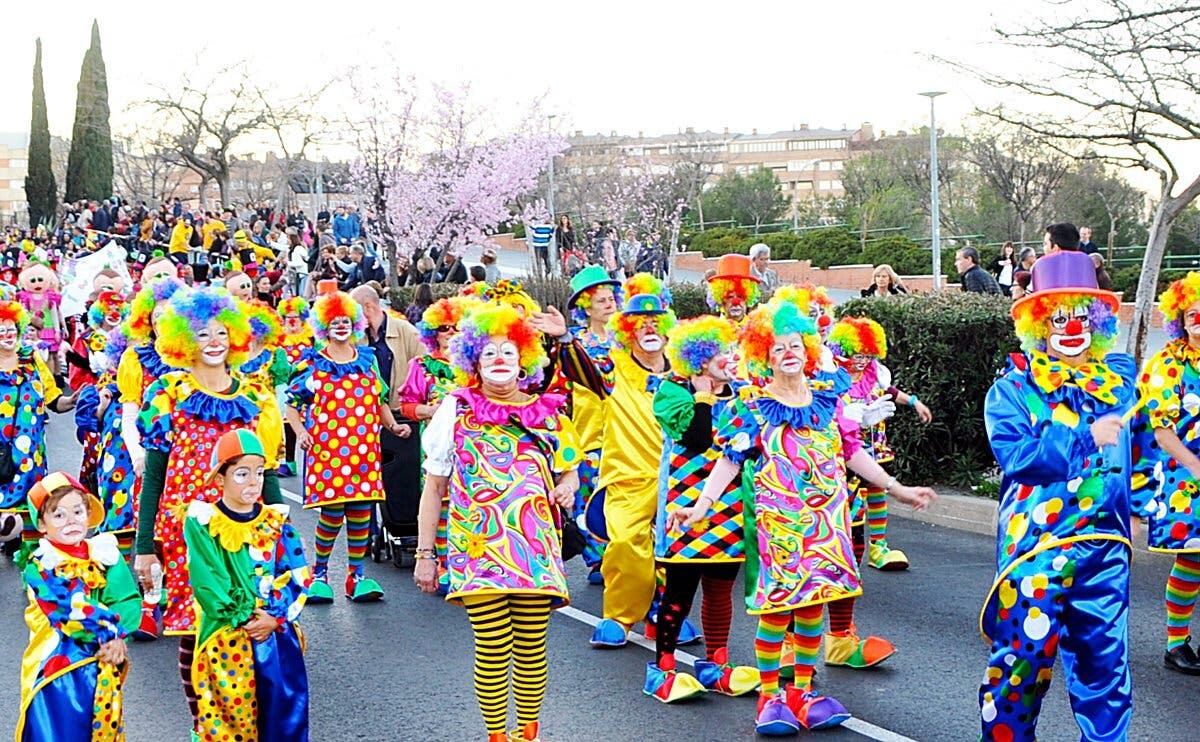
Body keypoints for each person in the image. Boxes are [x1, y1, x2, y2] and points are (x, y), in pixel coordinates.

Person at [668, 294, 935, 735]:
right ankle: (771, 697)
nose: (788, 353)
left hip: (826, 524)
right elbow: (729, 462)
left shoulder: (829, 401)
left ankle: (803, 692)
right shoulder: (751, 407)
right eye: (777, 348)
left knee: (813, 609)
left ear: (809, 351)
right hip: (779, 526)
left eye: (795, 345)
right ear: (764, 357)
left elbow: (852, 453)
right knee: (777, 613)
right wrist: (700, 508)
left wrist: (898, 489)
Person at [981, 250, 1135, 740]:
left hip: (1107, 546)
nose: (1071, 327)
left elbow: (1151, 445)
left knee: (1106, 668)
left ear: (1098, 322)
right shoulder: (1012, 390)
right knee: (1021, 667)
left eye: (1081, 316)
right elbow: (1019, 458)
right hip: (1037, 548)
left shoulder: (1118, 383)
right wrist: (1087, 436)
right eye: (1058, 316)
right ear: (1040, 324)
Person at [414, 301, 580, 742]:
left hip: (535, 547)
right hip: (478, 548)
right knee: (491, 648)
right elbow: (433, 487)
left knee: (530, 648)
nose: (500, 360)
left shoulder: (547, 410)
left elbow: (569, 465)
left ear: (524, 358)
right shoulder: (455, 410)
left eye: (508, 351)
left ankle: (528, 734)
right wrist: (425, 554)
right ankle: (496, 737)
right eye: (489, 353)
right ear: (474, 362)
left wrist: (568, 484)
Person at [132, 286, 285, 732]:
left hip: (247, 531)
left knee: (248, 627)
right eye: (202, 333)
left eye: (222, 331)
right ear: (184, 340)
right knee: (194, 633)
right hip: (186, 535)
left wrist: (278, 526)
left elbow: (268, 469)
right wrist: (145, 546)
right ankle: (203, 726)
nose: (215, 341)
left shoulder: (255, 395)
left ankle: (246, 727)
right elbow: (154, 478)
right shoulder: (168, 392)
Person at [540, 274, 700, 648]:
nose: (648, 329)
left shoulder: (685, 373)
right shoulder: (613, 368)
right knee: (627, 546)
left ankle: (664, 611)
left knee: (673, 553)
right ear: (627, 331)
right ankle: (620, 616)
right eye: (639, 324)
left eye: (655, 323)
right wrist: (565, 340)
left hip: (679, 478)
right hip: (629, 478)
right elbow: (583, 372)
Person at [647, 316, 759, 703]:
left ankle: (717, 663)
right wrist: (703, 396)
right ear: (697, 360)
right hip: (684, 504)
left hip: (729, 507)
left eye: (730, 351)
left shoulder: (744, 394)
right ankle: (661, 668)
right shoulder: (671, 392)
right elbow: (696, 438)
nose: (728, 358)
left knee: (720, 589)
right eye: (718, 353)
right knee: (679, 589)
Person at [184, 429, 311, 741]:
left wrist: (274, 617)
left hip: (276, 635)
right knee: (230, 721)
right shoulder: (204, 523)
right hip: (226, 636)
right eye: (241, 473)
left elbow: (297, 575)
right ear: (219, 479)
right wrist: (244, 618)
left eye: (258, 472)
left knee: (284, 716)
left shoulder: (276, 522)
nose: (253, 482)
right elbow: (208, 579)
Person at [285, 282, 409, 603]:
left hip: (363, 450)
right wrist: (300, 432)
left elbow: (380, 399)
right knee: (331, 514)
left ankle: (357, 576)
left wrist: (393, 426)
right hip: (328, 452)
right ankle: (321, 574)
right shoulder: (313, 363)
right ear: (324, 327)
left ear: (354, 324)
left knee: (361, 511)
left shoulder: (366, 361)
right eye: (334, 322)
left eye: (345, 322)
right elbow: (293, 405)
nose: (340, 327)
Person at [17, 472, 140, 741]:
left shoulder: (105, 554)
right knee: (59, 731)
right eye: (59, 515)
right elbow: (66, 609)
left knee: (101, 730)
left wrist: (119, 636)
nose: (71, 520)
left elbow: (126, 598)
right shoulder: (41, 564)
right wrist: (109, 635)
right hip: (56, 667)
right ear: (42, 524)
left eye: (78, 511)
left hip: (102, 662)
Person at [1132, 272, 1200, 675]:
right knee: (1193, 558)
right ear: (1180, 319)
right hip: (1184, 474)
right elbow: (1160, 428)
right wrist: (1195, 467)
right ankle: (1176, 643)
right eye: (1193, 314)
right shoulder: (1167, 364)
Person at [399, 295, 477, 591]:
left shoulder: (473, 366)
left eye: (457, 326)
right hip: (437, 444)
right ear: (433, 333)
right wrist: (429, 411)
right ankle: (443, 564)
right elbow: (406, 406)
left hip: (472, 444)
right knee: (439, 500)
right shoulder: (422, 365)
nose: (451, 332)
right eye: (444, 328)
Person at [0, 300, 77, 544]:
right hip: (2, 454)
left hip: (32, 456)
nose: (7, 334)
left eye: (11, 328)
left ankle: (32, 565)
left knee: (33, 507)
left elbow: (53, 398)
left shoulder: (31, 358)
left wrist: (72, 400)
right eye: (1, 330)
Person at [565, 266, 622, 583]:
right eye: (601, 300)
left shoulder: (626, 340)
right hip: (588, 433)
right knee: (588, 497)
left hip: (625, 431)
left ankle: (621, 551)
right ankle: (597, 558)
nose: (609, 304)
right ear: (586, 307)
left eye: (611, 298)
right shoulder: (574, 343)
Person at [351, 284, 425, 409]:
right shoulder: (357, 337)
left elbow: (424, 371)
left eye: (353, 311)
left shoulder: (407, 331)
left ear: (368, 307)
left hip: (401, 414)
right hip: (370, 413)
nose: (352, 317)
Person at [706, 254, 761, 325]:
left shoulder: (757, 330)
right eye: (730, 297)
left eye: (740, 297)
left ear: (747, 300)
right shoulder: (711, 331)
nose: (736, 302)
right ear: (721, 301)